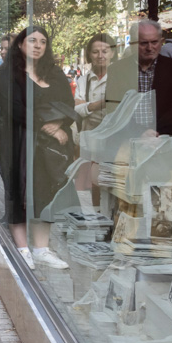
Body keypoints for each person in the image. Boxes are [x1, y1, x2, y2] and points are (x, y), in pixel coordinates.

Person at [0, 25, 74, 269]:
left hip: (48, 145)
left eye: (43, 41)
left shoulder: (54, 72)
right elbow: (15, 108)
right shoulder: (7, 73)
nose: (38, 45)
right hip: (17, 140)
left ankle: (41, 249)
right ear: (20, 45)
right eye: (32, 40)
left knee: (45, 192)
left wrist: (58, 124)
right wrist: (45, 123)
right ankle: (23, 249)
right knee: (18, 192)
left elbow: (67, 103)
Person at [73, 32, 114, 211]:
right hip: (90, 138)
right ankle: (94, 218)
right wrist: (101, 103)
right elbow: (76, 108)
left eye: (105, 51)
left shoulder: (118, 77)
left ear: (112, 53)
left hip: (113, 138)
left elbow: (118, 109)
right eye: (96, 51)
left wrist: (87, 106)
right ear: (89, 54)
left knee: (110, 183)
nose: (100, 55)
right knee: (89, 182)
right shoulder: (83, 80)